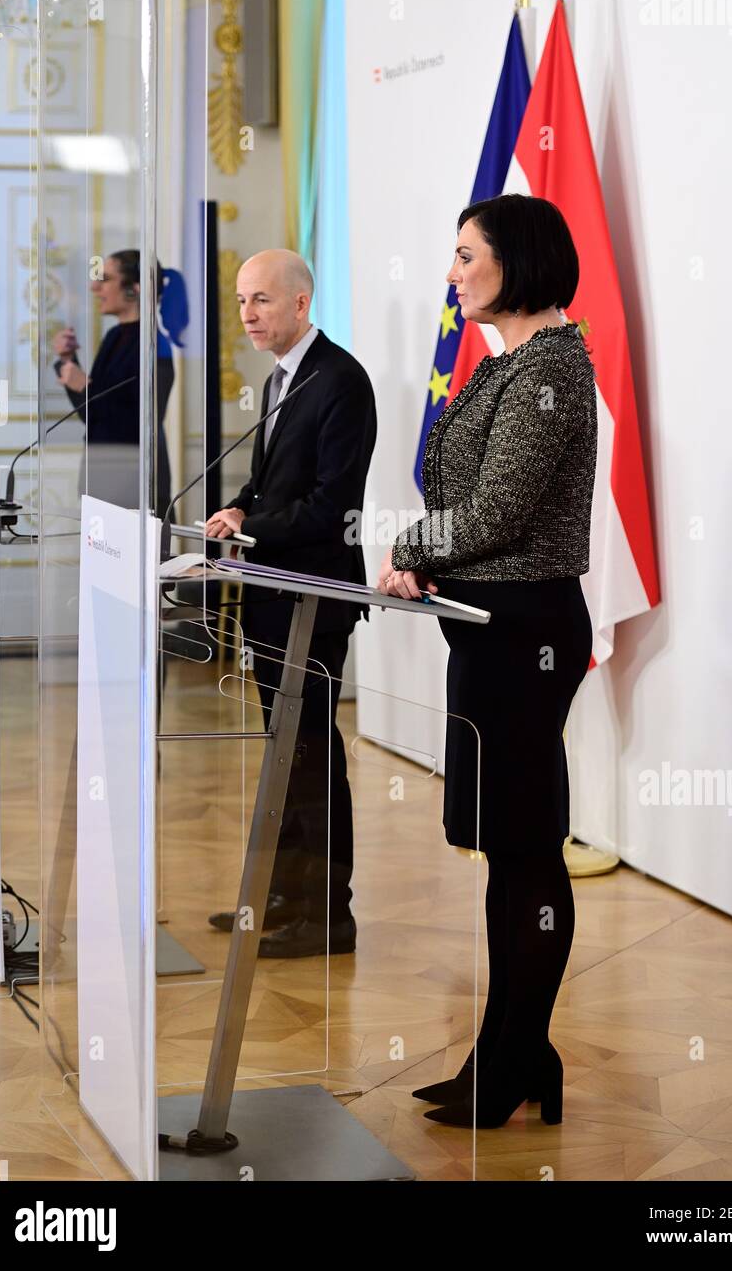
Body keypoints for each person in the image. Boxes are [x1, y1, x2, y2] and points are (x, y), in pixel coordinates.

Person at [377, 193, 597, 1129]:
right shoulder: (507, 364)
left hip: (527, 632)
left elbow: (501, 510)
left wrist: (409, 550)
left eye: (468, 255)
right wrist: (425, 551)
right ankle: (510, 1050)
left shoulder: (550, 369)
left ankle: (515, 1057)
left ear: (520, 261)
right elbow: (471, 498)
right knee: (506, 850)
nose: (454, 272)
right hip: (489, 623)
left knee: (525, 845)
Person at [204, 250, 377, 959]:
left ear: (301, 303)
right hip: (271, 596)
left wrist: (251, 525)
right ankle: (285, 892)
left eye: (262, 301)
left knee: (312, 754)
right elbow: (269, 484)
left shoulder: (340, 381)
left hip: (314, 599)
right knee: (285, 752)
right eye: (243, 300)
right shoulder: (280, 379)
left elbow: (334, 508)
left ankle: (330, 914)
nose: (247, 314)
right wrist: (237, 508)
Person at [53, 249, 175, 517]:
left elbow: (143, 423)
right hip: (103, 482)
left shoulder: (155, 343)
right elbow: (94, 414)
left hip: (135, 486)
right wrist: (68, 361)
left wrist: (85, 385)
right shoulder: (113, 336)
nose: (94, 287)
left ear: (134, 289)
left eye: (105, 279)